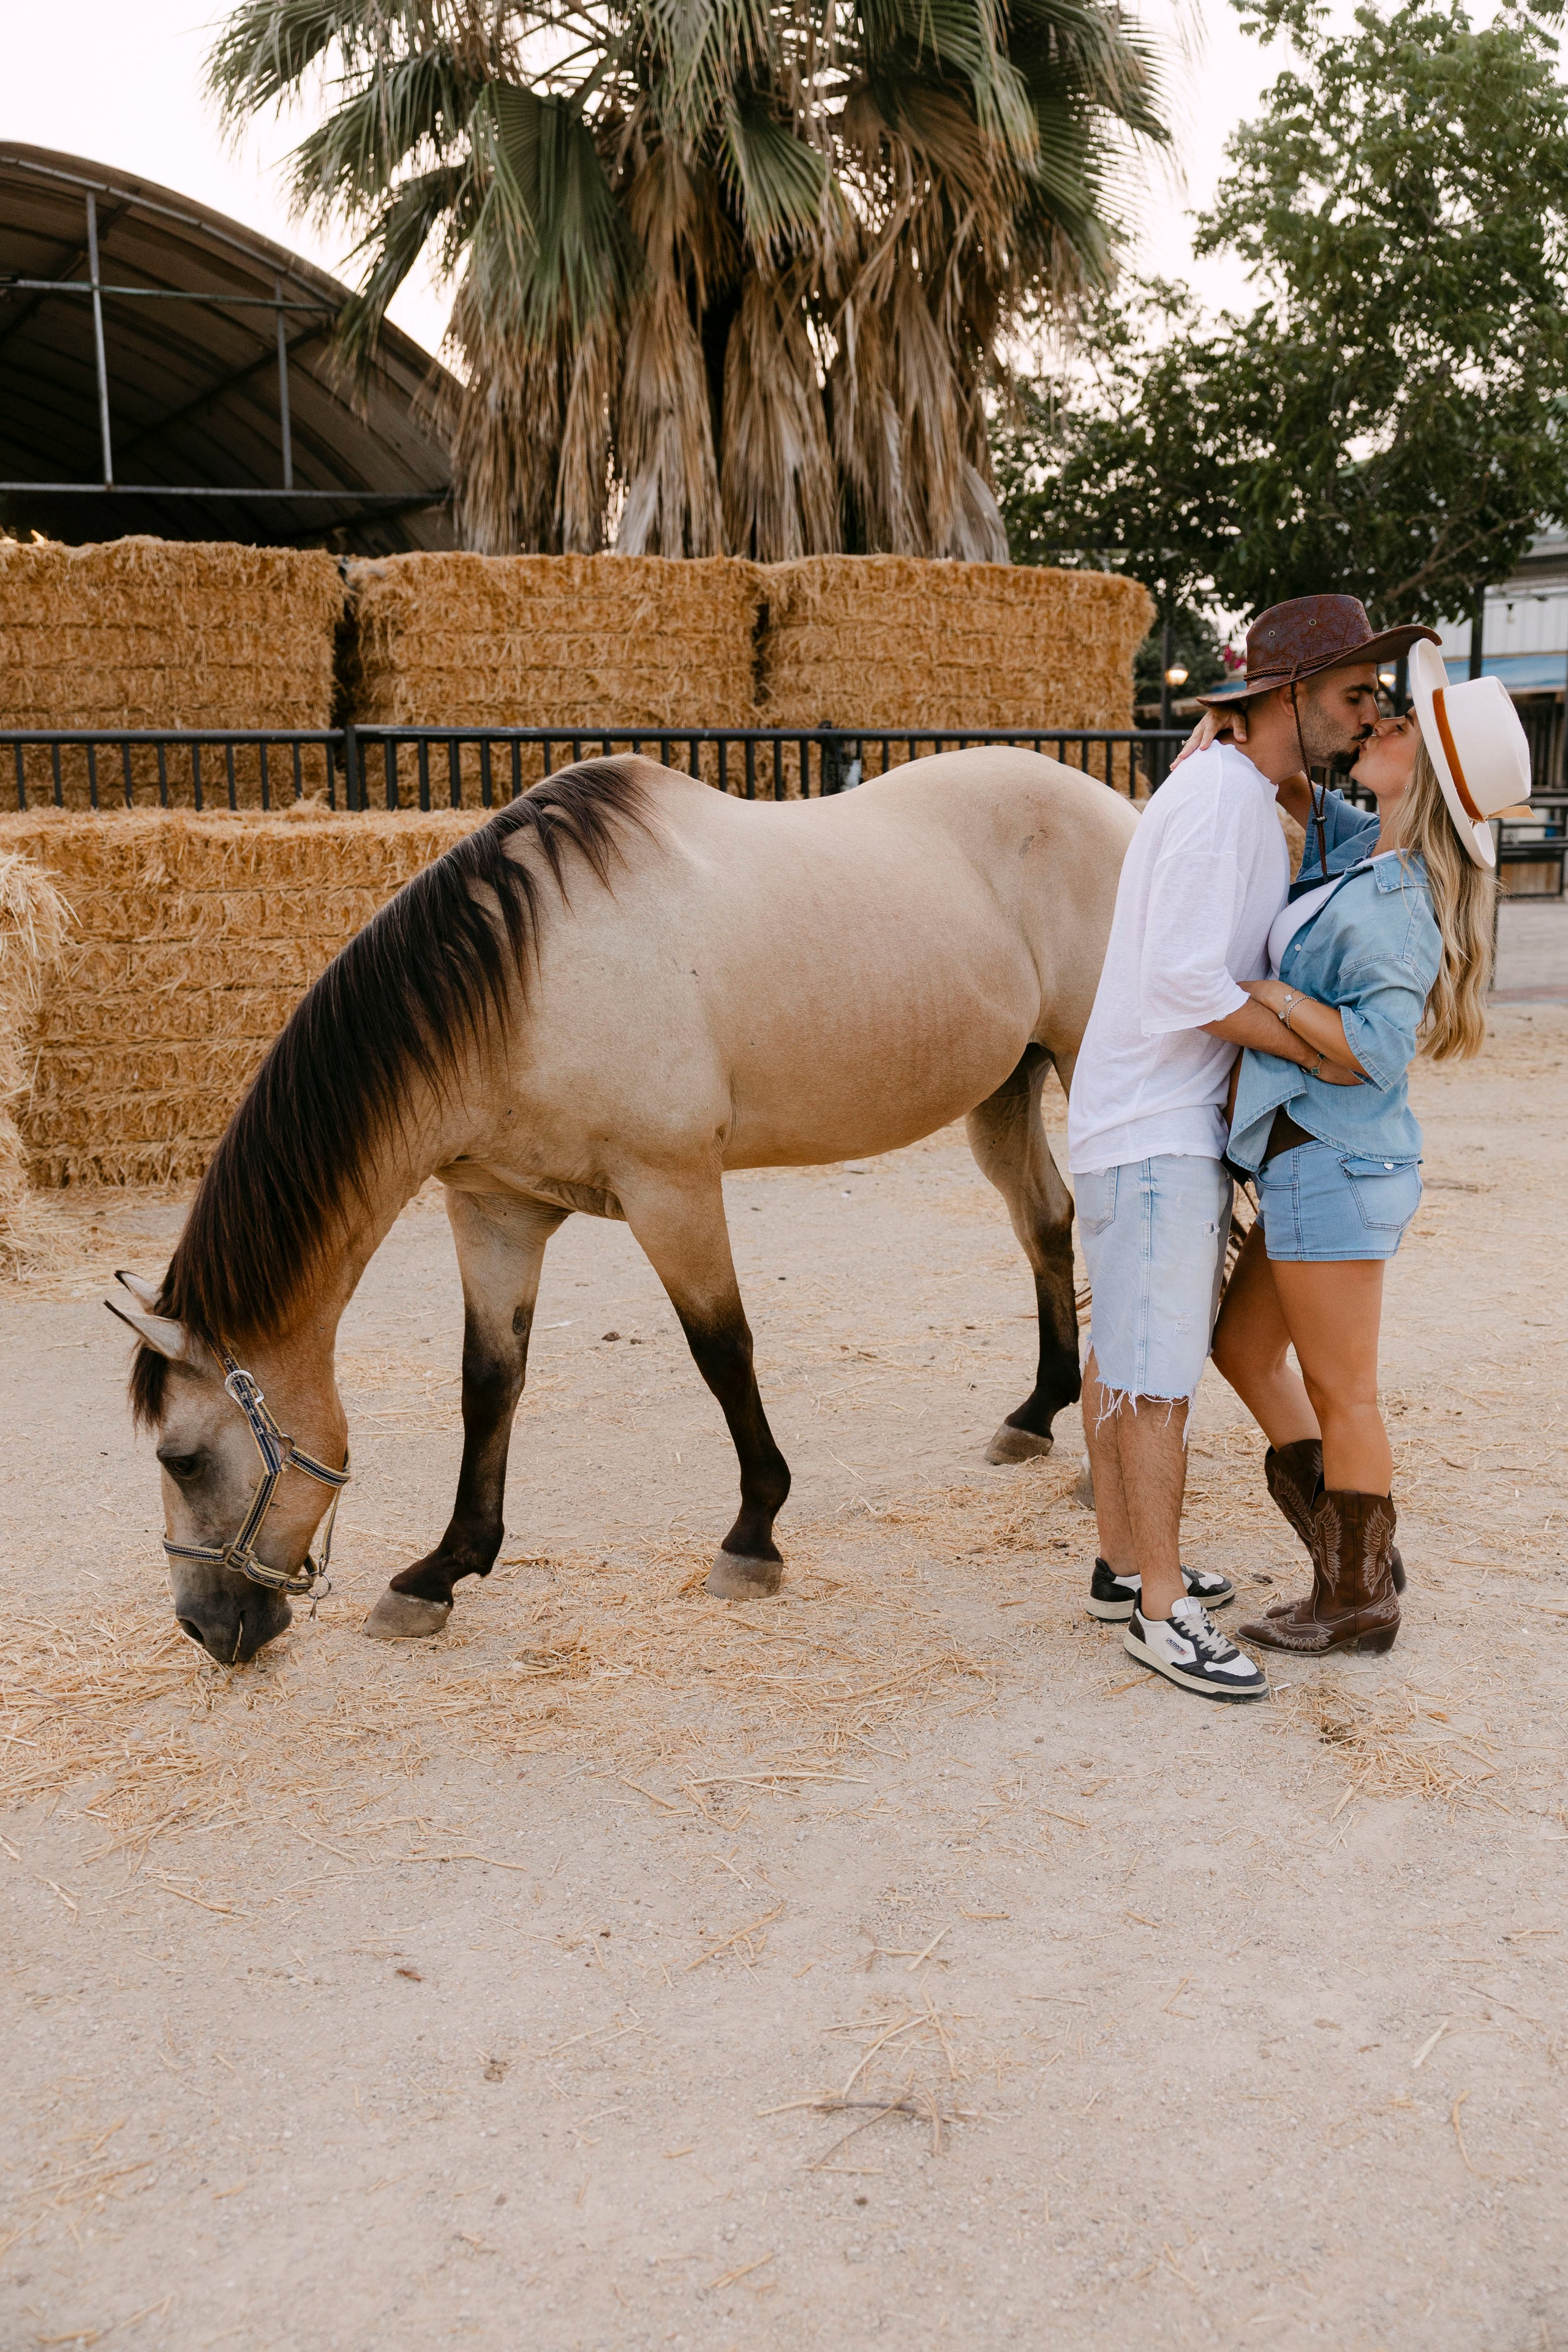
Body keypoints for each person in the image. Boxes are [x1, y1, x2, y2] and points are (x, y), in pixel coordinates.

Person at [1069, 595, 1441, 1703]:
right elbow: (1189, 982)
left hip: (1151, 1120)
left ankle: (1127, 1565)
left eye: (1377, 699)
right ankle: (1162, 1610)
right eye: (1354, 694)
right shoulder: (1223, 802)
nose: (1370, 713)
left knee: (1123, 1357)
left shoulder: (1242, 794)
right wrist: (1310, 1038)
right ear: (1289, 695)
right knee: (1155, 1377)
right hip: (1156, 1127)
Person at [1205, 639, 1529, 1655]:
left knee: (1344, 1391)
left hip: (1336, 1165)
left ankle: (1355, 1599)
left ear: (1426, 774)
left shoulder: (1396, 901)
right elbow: (1298, 792)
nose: (1381, 721)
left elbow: (1379, 1052)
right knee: (1241, 1349)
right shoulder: (1369, 852)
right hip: (1312, 1161)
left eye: (1401, 725)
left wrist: (1273, 998)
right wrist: (1246, 719)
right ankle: (1359, 1555)